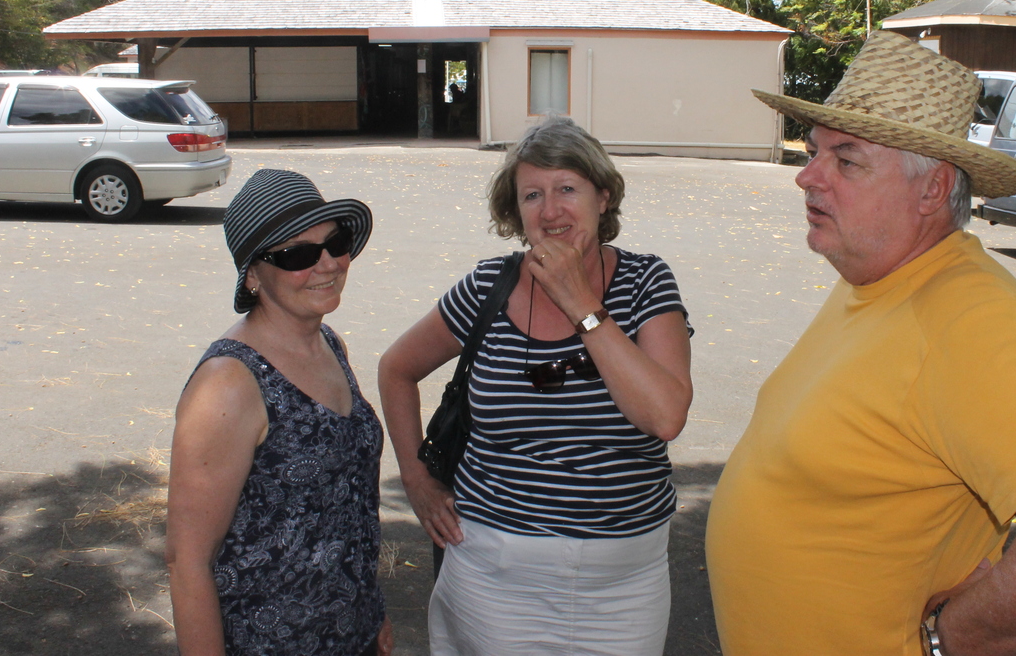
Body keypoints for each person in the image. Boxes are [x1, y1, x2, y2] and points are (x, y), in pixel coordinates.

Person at [705, 32, 1016, 656]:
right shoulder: (879, 275)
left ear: (933, 190)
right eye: (814, 153)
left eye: (846, 160)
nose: (807, 177)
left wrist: (947, 639)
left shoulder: (967, 315)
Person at [378, 114, 694, 656]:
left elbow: (664, 417)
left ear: (603, 196)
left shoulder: (646, 281)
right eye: (532, 195)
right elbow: (396, 369)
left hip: (624, 588)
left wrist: (581, 303)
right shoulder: (487, 288)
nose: (550, 211)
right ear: (516, 211)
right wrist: (417, 479)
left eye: (567, 188)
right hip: (493, 578)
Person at [166, 169, 392, 656]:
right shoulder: (228, 385)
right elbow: (187, 562)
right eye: (297, 255)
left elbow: (347, 510)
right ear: (253, 274)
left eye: (336, 242)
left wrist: (372, 614)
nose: (328, 263)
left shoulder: (329, 344)